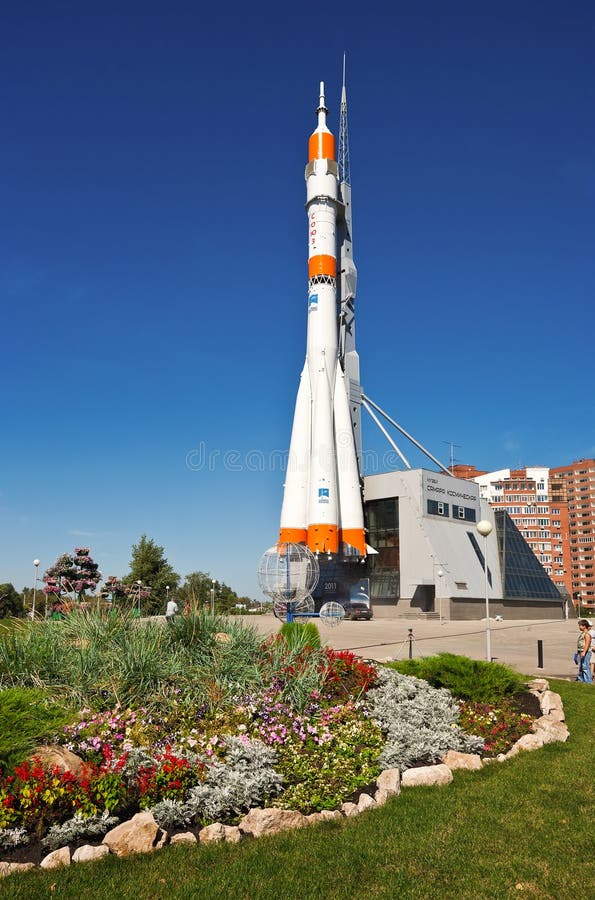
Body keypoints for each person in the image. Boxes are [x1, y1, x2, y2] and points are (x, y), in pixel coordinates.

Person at [575, 619, 592, 683]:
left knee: (585, 667)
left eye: (580, 625)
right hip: (581, 652)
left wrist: (584, 652)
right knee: (581, 667)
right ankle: (581, 679)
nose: (579, 627)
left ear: (584, 626)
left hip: (586, 652)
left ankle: (588, 681)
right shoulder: (582, 633)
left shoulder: (587, 634)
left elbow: (587, 644)